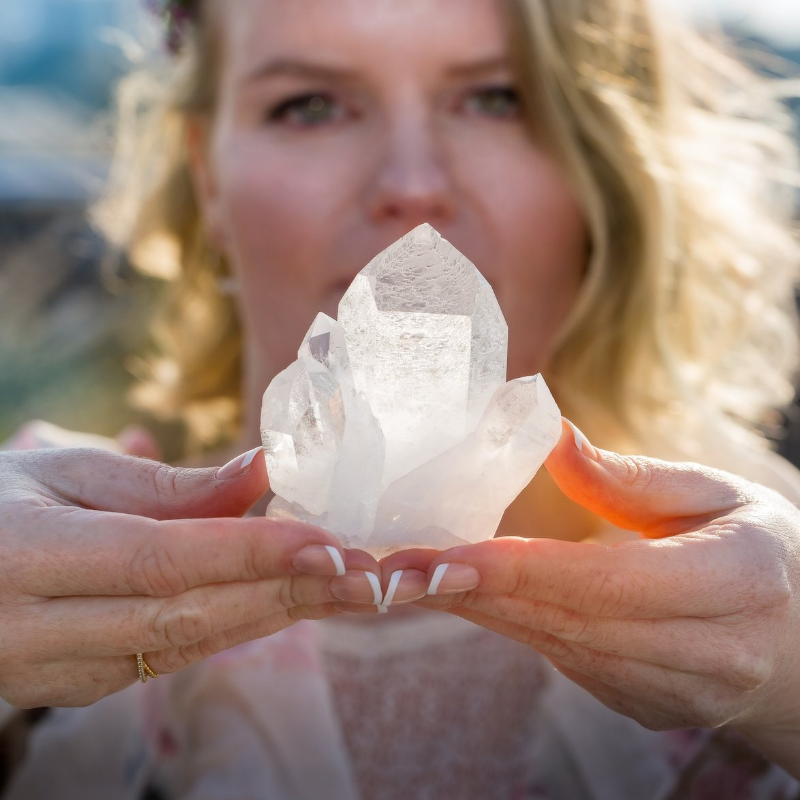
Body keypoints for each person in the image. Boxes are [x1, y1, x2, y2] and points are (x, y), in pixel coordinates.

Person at [1, 0, 800, 797]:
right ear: (208, 176)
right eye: (311, 106)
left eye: (497, 97)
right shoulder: (41, 584)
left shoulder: (775, 584)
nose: (411, 187)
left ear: (608, 159)